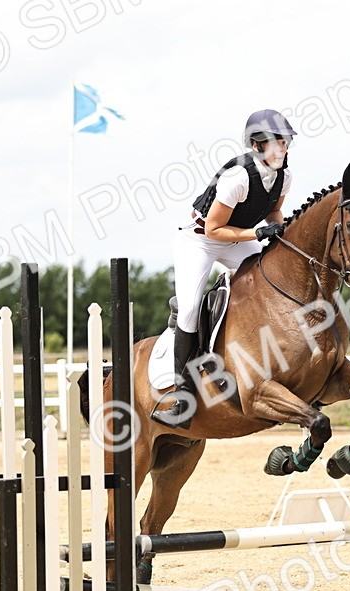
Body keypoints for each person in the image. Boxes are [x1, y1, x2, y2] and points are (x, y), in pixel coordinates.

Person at [150, 108, 297, 429]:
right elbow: (214, 229)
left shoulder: (284, 176)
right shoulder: (238, 177)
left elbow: (274, 211)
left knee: (271, 277)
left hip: (236, 239)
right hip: (200, 241)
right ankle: (182, 398)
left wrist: (282, 231)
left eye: (285, 143)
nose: (283, 149)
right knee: (190, 309)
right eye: (276, 143)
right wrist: (257, 233)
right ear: (256, 145)